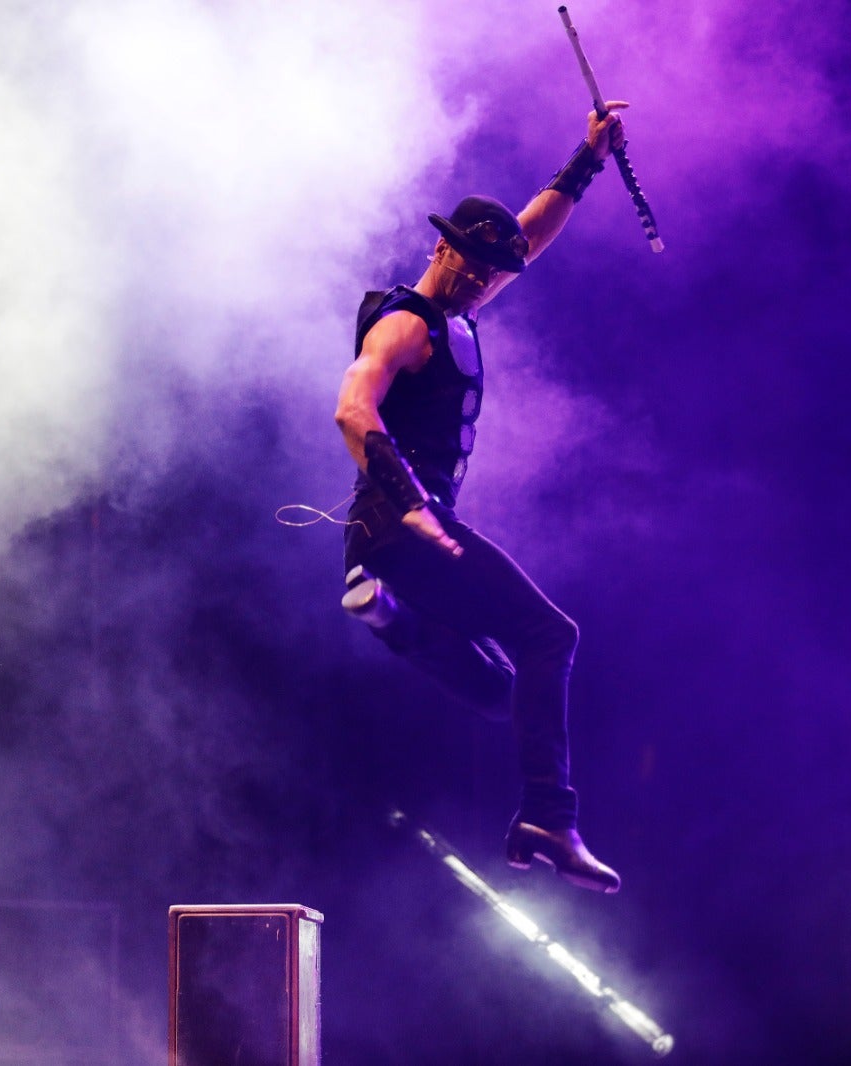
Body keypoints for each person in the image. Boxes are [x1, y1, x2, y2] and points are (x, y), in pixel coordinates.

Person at [333, 106, 629, 894]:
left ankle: (390, 616)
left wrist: (588, 158)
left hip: (397, 544)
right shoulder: (408, 323)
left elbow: (530, 230)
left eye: (493, 271)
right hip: (401, 527)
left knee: (504, 691)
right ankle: (549, 817)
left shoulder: (467, 303)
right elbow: (352, 408)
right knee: (549, 636)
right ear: (440, 246)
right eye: (467, 265)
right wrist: (412, 504)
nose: (480, 280)